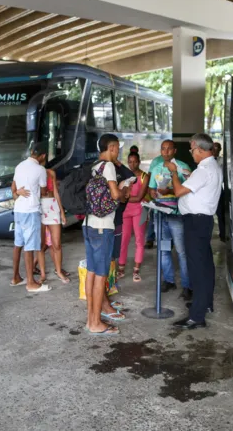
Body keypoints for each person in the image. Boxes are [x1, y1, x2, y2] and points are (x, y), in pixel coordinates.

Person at [165, 134, 222, 331]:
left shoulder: (204, 170)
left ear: (198, 149)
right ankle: (204, 303)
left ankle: (197, 317)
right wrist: (190, 176)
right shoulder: (212, 166)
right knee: (205, 265)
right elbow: (199, 186)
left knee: (197, 268)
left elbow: (179, 191)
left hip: (195, 223)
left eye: (191, 150)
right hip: (203, 222)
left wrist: (174, 173)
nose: (191, 154)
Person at [84, 134, 126, 336]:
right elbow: (115, 195)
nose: (118, 151)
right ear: (111, 147)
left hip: (89, 224)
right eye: (117, 148)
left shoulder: (94, 166)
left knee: (92, 273)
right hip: (103, 226)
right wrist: (124, 190)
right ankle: (95, 323)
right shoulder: (108, 167)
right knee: (100, 275)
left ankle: (91, 319)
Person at [148, 140, 192, 300]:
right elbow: (151, 188)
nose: (165, 152)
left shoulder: (182, 167)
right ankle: (169, 280)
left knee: (181, 251)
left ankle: (187, 286)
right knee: (163, 249)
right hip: (160, 214)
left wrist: (170, 190)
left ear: (174, 151)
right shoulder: (156, 168)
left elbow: (189, 190)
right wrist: (153, 193)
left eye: (168, 149)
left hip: (177, 214)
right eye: (163, 149)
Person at [10, 143, 51, 292]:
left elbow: (13, 189)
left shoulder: (19, 166)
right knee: (30, 246)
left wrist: (18, 194)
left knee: (18, 244)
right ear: (43, 156)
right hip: (31, 211)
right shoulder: (40, 169)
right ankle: (31, 283)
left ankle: (15, 278)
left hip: (19, 210)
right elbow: (44, 190)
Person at [118, 152, 149, 282]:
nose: (132, 164)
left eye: (135, 161)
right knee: (123, 240)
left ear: (139, 161)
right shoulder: (124, 176)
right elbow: (120, 195)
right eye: (130, 162)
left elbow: (138, 198)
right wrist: (125, 197)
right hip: (125, 212)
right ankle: (121, 268)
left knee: (139, 240)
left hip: (140, 211)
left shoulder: (144, 176)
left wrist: (125, 197)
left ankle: (136, 270)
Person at [40, 164, 70, 284]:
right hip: (40, 207)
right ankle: (42, 275)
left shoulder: (51, 173)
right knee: (41, 245)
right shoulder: (34, 173)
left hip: (52, 206)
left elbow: (56, 193)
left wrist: (62, 212)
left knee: (57, 244)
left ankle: (59, 271)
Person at [213, 142, 226, 241]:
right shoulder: (205, 162)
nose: (216, 151)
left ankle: (223, 234)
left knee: (221, 213)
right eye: (214, 149)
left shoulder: (222, 161)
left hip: (219, 188)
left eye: (218, 149)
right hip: (209, 189)